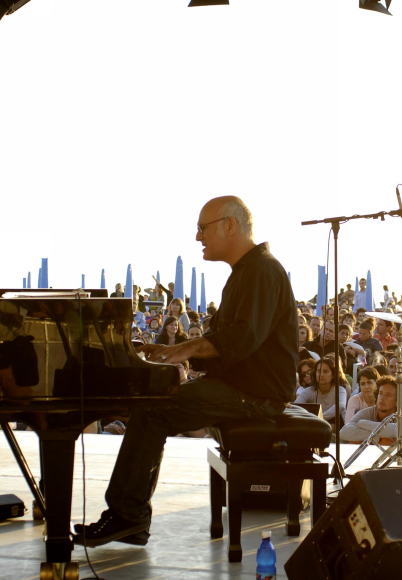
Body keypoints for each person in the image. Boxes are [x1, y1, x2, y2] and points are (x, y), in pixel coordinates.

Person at [76, 196, 297, 548]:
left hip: (256, 396)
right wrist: (175, 353)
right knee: (149, 403)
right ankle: (128, 515)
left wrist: (187, 349)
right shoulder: (247, 272)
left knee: (152, 410)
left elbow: (242, 338)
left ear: (230, 225)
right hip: (241, 386)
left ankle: (128, 516)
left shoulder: (262, 271)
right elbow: (231, 346)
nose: (198, 238)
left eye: (202, 228)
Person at [340, 376, 402, 443]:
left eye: (388, 395)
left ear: (397, 401)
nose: (382, 398)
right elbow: (343, 432)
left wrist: (363, 423)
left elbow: (396, 431)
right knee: (354, 442)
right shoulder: (367, 412)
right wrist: (378, 438)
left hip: (394, 453)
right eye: (380, 393)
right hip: (368, 452)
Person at [295, 355, 350, 426]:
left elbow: (341, 406)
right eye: (318, 371)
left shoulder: (340, 390)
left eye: (325, 371)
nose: (321, 374)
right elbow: (297, 405)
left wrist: (319, 418)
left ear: (333, 375)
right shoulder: (310, 391)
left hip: (338, 426)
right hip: (316, 424)